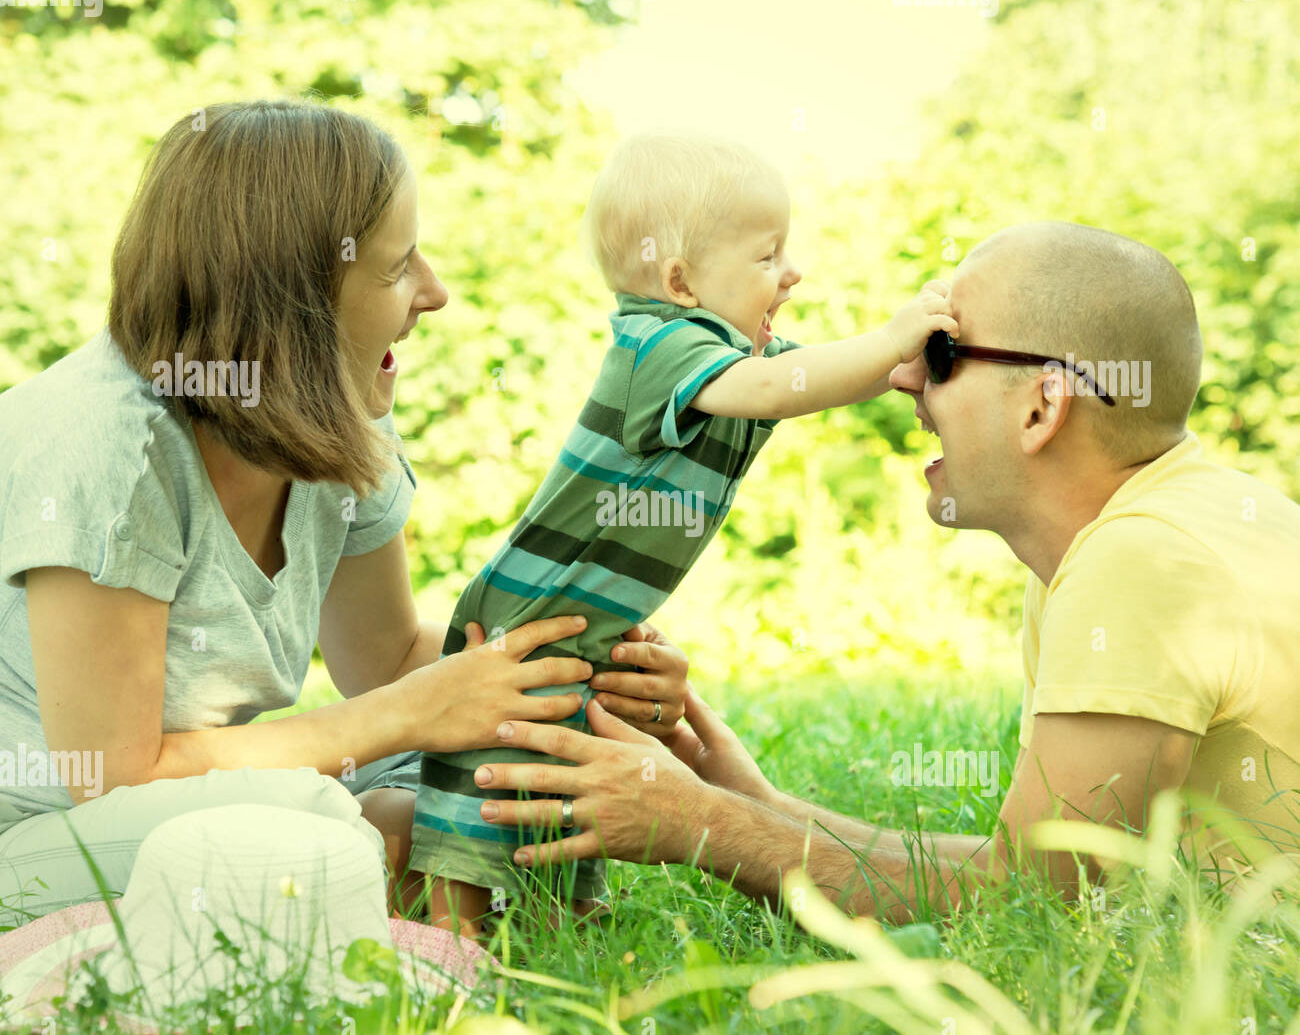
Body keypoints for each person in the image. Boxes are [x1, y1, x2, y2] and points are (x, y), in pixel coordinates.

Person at [468, 222, 1300, 920]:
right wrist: (752, 799)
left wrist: (701, 825)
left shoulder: (1139, 561)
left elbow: (1032, 901)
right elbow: (1032, 862)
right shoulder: (1156, 528)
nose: (899, 374)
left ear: (1042, 407)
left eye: (940, 353)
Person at [0, 99, 687, 931]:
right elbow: (117, 778)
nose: (434, 292)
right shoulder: (108, 450)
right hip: (43, 832)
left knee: (482, 772)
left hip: (171, 804)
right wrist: (407, 716)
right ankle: (406, 878)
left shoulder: (334, 411)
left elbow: (391, 657)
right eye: (398, 269)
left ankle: (410, 873)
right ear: (290, 299)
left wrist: (575, 674)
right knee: (331, 841)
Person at [409, 129, 960, 936]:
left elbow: (820, 378)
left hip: (583, 614)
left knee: (569, 760)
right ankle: (445, 934)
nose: (793, 273)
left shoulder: (722, 352)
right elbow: (785, 386)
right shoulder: (660, 342)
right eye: (769, 257)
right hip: (533, 604)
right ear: (679, 280)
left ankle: (566, 922)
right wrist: (893, 334)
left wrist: (913, 360)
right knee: (488, 769)